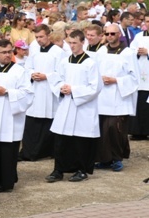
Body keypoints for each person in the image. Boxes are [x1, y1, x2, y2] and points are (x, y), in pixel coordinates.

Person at [45, 30, 101, 183]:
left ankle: (81, 169)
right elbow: (56, 79)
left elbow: (95, 87)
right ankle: (59, 170)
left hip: (83, 107)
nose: (72, 46)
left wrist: (74, 90)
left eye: (75, 43)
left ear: (83, 42)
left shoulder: (90, 63)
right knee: (62, 139)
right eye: (70, 43)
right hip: (66, 105)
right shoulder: (65, 61)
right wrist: (61, 88)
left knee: (80, 140)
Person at [94, 24, 138, 172]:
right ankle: (104, 158)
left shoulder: (128, 53)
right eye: (107, 34)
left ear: (119, 34)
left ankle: (117, 158)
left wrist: (116, 80)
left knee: (115, 128)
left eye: (113, 34)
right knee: (103, 129)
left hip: (119, 96)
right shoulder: (101, 51)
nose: (110, 37)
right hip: (102, 96)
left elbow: (134, 77)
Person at [0, 40, 33, 192]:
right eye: (3, 52)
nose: (8, 55)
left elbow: (28, 94)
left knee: (8, 151)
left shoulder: (19, 71)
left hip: (10, 116)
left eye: (10, 51)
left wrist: (8, 92)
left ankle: (7, 182)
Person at [20, 24, 65, 161]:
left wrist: (47, 76)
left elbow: (62, 72)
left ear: (48, 36)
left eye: (41, 37)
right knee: (33, 121)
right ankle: (30, 151)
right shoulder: (34, 50)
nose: (39, 40)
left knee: (48, 121)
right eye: (37, 37)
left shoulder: (58, 52)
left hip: (50, 91)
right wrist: (32, 74)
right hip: (36, 89)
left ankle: (47, 150)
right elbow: (27, 68)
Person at [129, 17, 149, 139]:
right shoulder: (139, 36)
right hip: (140, 70)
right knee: (139, 102)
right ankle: (138, 131)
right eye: (146, 21)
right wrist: (137, 52)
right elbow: (130, 50)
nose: (148, 23)